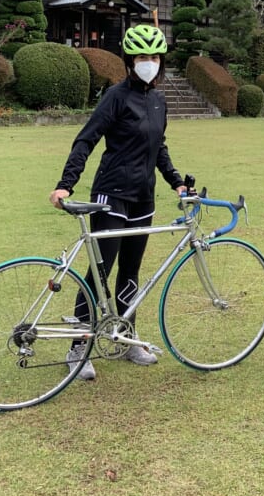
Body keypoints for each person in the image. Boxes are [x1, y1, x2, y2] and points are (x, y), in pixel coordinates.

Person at [49, 24, 186, 380]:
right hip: (110, 197)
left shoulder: (159, 99)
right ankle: (79, 345)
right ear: (130, 61)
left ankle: (126, 337)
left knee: (130, 271)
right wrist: (66, 185)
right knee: (101, 271)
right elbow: (86, 140)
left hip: (144, 197)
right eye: (142, 57)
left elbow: (160, 146)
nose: (149, 63)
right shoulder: (115, 96)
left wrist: (175, 182)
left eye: (154, 57)